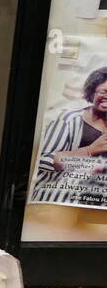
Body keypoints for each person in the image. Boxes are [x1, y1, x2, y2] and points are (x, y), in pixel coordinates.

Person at [33, 66, 107, 204]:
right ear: (92, 92)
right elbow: (43, 160)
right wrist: (88, 151)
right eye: (103, 91)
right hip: (59, 200)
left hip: (97, 204)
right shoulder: (68, 120)